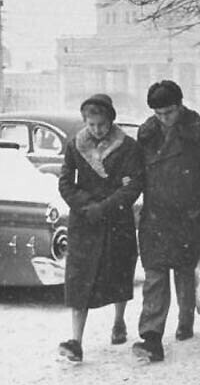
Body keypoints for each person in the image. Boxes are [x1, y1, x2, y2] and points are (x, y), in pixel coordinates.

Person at [132, 80, 200, 362]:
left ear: (180, 105)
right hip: (155, 218)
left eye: (169, 112)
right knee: (155, 277)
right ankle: (151, 336)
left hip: (189, 218)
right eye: (158, 114)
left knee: (185, 274)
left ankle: (186, 320)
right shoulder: (147, 134)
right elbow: (139, 174)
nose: (164, 119)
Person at [57, 94, 144, 362]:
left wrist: (105, 207)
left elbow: (133, 185)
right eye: (91, 124)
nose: (96, 130)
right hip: (84, 223)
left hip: (116, 220)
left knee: (119, 273)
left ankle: (118, 321)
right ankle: (75, 341)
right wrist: (85, 205)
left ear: (111, 121)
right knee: (79, 280)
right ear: (85, 122)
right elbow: (65, 183)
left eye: (102, 125)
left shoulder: (127, 146)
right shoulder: (75, 145)